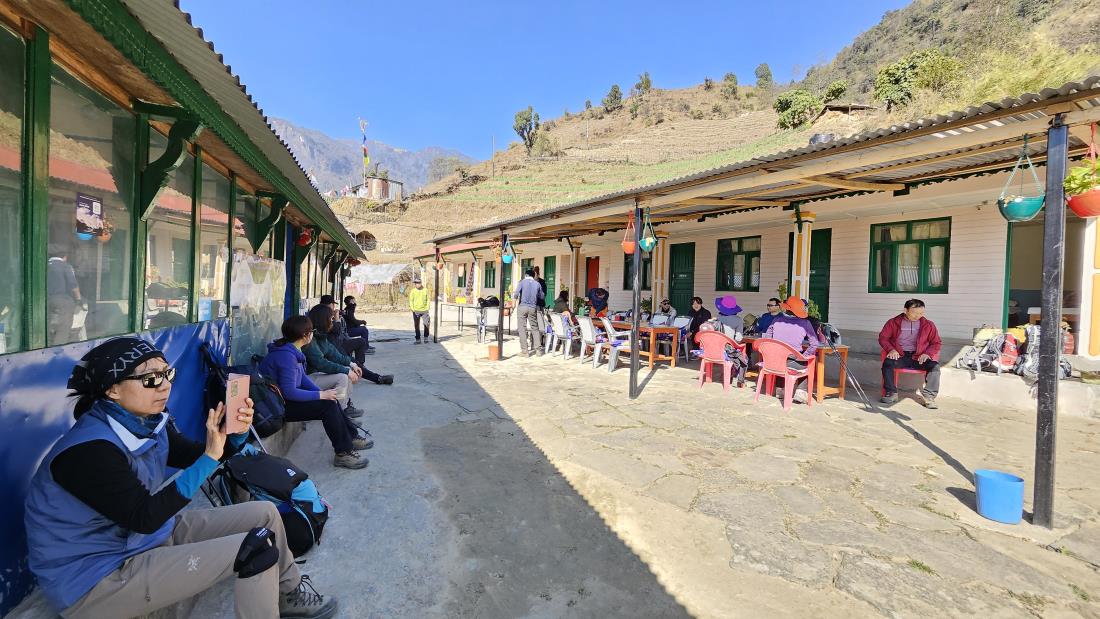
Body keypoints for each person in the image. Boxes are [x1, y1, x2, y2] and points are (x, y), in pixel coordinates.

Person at [23, 336, 337, 619]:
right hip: (97, 576)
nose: (164, 386)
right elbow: (144, 517)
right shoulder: (88, 451)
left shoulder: (145, 423)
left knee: (265, 513)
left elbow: (198, 456)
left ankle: (288, 593)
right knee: (254, 549)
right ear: (112, 389)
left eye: (167, 374)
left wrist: (235, 434)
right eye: (149, 379)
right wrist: (209, 458)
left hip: (142, 540)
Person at [259, 315, 371, 469]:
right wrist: (321, 395)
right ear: (305, 335)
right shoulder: (286, 356)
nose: (312, 334)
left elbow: (302, 378)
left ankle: (351, 437)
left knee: (331, 400)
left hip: (284, 401)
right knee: (327, 406)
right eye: (311, 331)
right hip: (278, 409)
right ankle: (343, 453)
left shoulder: (291, 350)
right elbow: (289, 392)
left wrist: (323, 394)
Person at [303, 305, 387, 422]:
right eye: (331, 319)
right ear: (323, 320)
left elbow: (334, 353)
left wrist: (351, 364)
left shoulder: (320, 336)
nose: (333, 322)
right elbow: (321, 363)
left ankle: (342, 409)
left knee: (346, 375)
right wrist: (346, 370)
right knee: (343, 377)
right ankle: (339, 415)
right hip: (307, 379)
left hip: (317, 375)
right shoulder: (310, 339)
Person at [879, 298, 942, 409]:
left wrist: (927, 354)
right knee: (888, 363)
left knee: (935, 367)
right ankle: (891, 393)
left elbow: (936, 343)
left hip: (919, 357)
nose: (918, 316)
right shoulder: (893, 322)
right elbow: (883, 338)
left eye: (921, 313)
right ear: (905, 310)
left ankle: (929, 397)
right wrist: (891, 349)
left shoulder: (928, 325)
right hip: (900, 355)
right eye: (914, 312)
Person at [764, 296, 823, 403]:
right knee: (805, 363)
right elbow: (814, 344)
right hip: (792, 362)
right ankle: (801, 392)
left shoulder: (776, 320)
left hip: (774, 362)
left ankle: (780, 390)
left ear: (787, 308)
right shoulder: (805, 323)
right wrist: (804, 356)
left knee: (782, 359)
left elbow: (767, 338)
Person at [47, 245, 84, 346]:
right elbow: (73, 285)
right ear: (65, 257)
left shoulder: (44, 265)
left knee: (47, 324)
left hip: (45, 300)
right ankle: (58, 348)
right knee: (64, 326)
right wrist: (79, 300)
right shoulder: (65, 266)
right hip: (61, 300)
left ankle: (47, 344)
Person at [514, 269, 545, 356]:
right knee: (535, 328)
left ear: (526, 275)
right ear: (533, 276)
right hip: (532, 307)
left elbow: (516, 294)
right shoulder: (537, 284)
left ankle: (525, 351)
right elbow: (542, 296)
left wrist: (513, 305)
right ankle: (538, 350)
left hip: (522, 307)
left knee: (522, 328)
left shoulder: (522, 282)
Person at [408, 277, 430, 344]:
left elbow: (428, 299)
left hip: (424, 310)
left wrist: (427, 307)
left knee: (426, 324)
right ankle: (418, 338)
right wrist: (413, 309)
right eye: (415, 283)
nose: (416, 284)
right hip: (416, 311)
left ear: (420, 283)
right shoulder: (413, 291)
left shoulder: (425, 290)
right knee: (416, 325)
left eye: (417, 283)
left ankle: (426, 337)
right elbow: (411, 300)